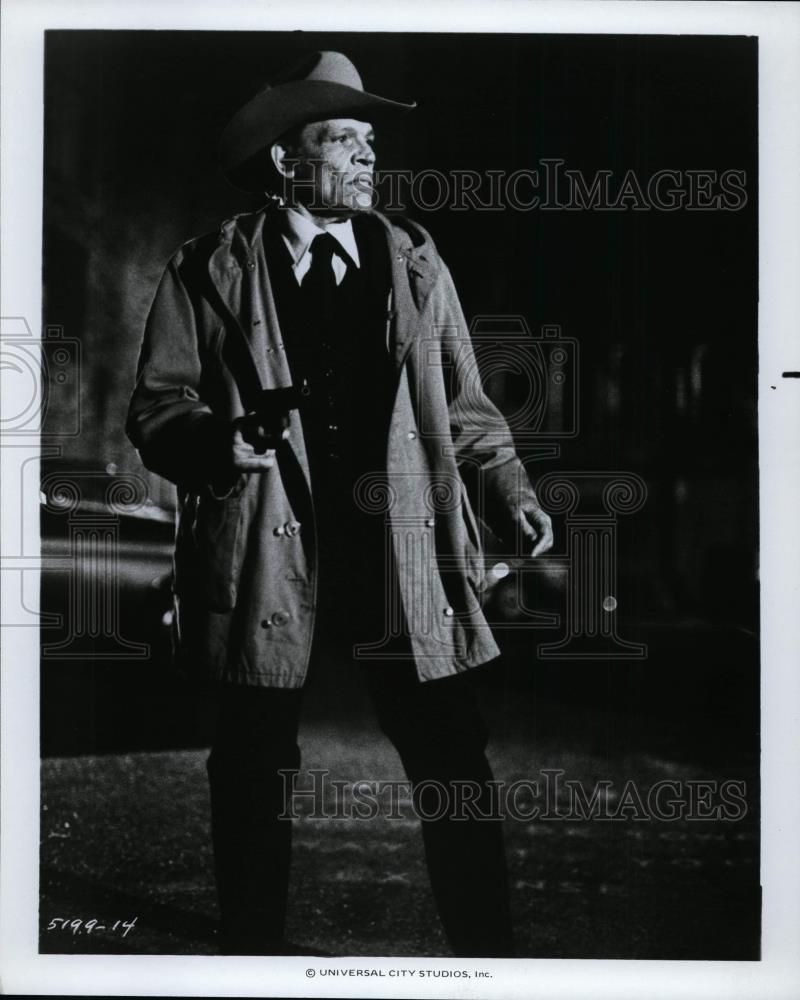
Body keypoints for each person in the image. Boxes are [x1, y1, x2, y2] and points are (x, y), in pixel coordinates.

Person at [126, 50, 553, 957]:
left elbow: (466, 404)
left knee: (450, 756)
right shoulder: (208, 268)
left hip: (400, 551)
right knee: (252, 764)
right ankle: (251, 957)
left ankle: (491, 959)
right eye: (342, 139)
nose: (366, 158)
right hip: (264, 552)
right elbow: (160, 405)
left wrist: (509, 489)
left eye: (369, 141)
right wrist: (215, 442)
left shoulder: (414, 261)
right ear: (287, 159)